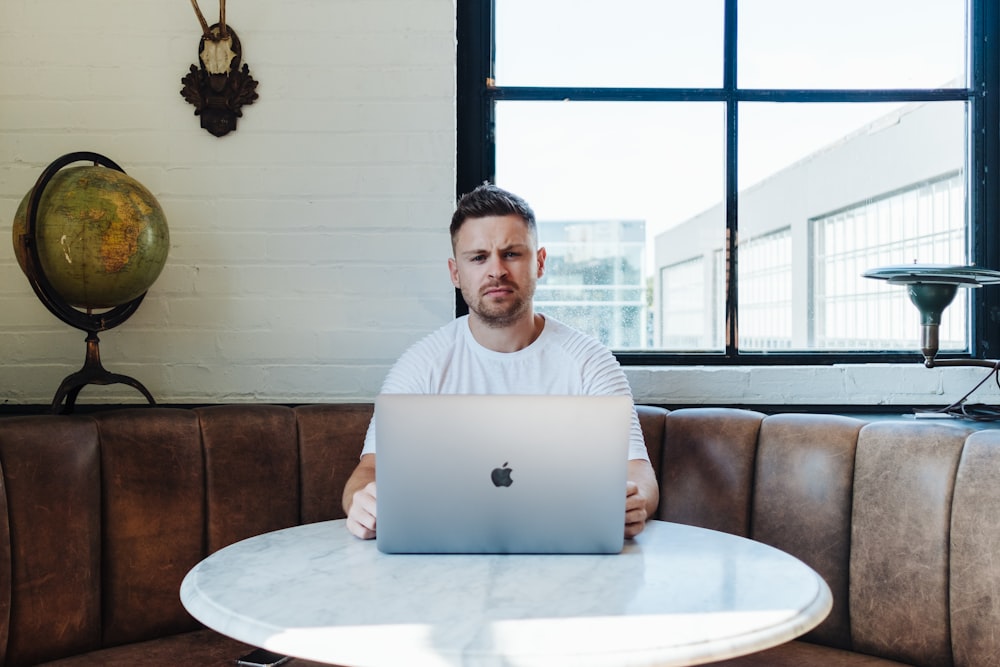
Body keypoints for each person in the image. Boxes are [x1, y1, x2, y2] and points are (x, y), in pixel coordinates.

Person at [343, 183, 659, 541]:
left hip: (566, 559)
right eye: (478, 257)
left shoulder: (590, 361)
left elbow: (638, 469)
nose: (496, 271)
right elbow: (369, 470)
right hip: (445, 566)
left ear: (539, 262)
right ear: (455, 272)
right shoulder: (422, 364)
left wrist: (636, 502)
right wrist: (362, 502)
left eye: (511, 254)